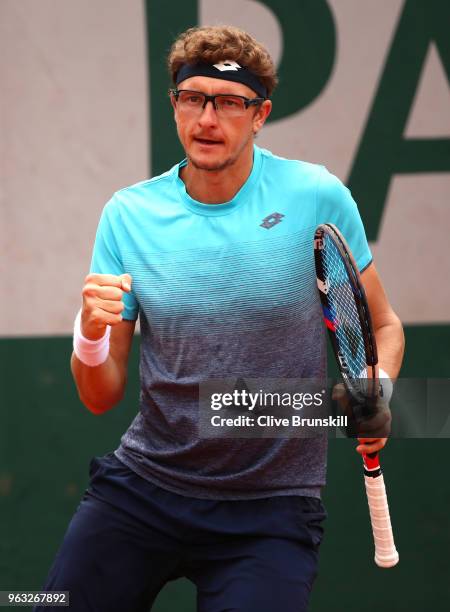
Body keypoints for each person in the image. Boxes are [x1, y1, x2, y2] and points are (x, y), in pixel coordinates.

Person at [36, 25, 404, 612]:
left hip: (271, 511)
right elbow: (100, 396)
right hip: (144, 491)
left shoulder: (315, 194)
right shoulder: (129, 214)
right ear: (176, 106)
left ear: (260, 116)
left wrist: (375, 388)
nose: (208, 119)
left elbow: (382, 326)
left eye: (230, 103)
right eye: (193, 99)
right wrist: (90, 333)